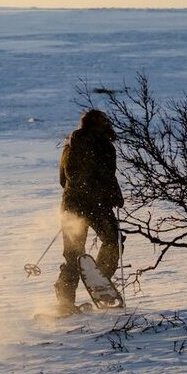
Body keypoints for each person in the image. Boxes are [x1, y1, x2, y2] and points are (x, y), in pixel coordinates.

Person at [54, 109, 124, 313]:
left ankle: (65, 302)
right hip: (97, 205)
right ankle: (100, 281)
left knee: (73, 254)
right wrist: (114, 196)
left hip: (71, 206)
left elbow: (62, 179)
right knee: (112, 241)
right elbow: (106, 177)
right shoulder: (103, 146)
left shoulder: (69, 146)